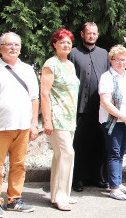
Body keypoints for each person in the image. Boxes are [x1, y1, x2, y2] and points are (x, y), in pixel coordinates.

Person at [0, 32, 39, 218]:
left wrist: (34, 123)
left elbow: (34, 99)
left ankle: (14, 199)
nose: (13, 48)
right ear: (0, 48)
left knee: (19, 165)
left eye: (16, 45)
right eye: (8, 44)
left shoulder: (28, 70)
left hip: (22, 127)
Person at [41, 28, 80, 211]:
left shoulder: (70, 64)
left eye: (69, 42)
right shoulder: (51, 64)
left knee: (60, 156)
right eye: (62, 41)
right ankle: (61, 196)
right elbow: (44, 94)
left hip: (69, 117)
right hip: (57, 117)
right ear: (54, 44)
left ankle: (58, 193)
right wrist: (47, 120)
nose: (66, 45)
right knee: (67, 153)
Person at [68, 22, 110, 192]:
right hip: (81, 108)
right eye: (88, 33)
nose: (91, 36)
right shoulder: (73, 54)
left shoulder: (104, 54)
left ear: (97, 35)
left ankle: (97, 176)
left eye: (94, 33)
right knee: (80, 145)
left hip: (101, 107)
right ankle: (78, 178)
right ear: (82, 34)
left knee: (99, 144)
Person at [99, 45, 126, 201]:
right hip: (112, 122)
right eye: (117, 60)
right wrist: (123, 116)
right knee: (114, 153)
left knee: (121, 152)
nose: (121, 63)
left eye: (124, 60)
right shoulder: (106, 77)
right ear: (111, 60)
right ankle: (114, 188)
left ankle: (118, 182)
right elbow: (105, 102)